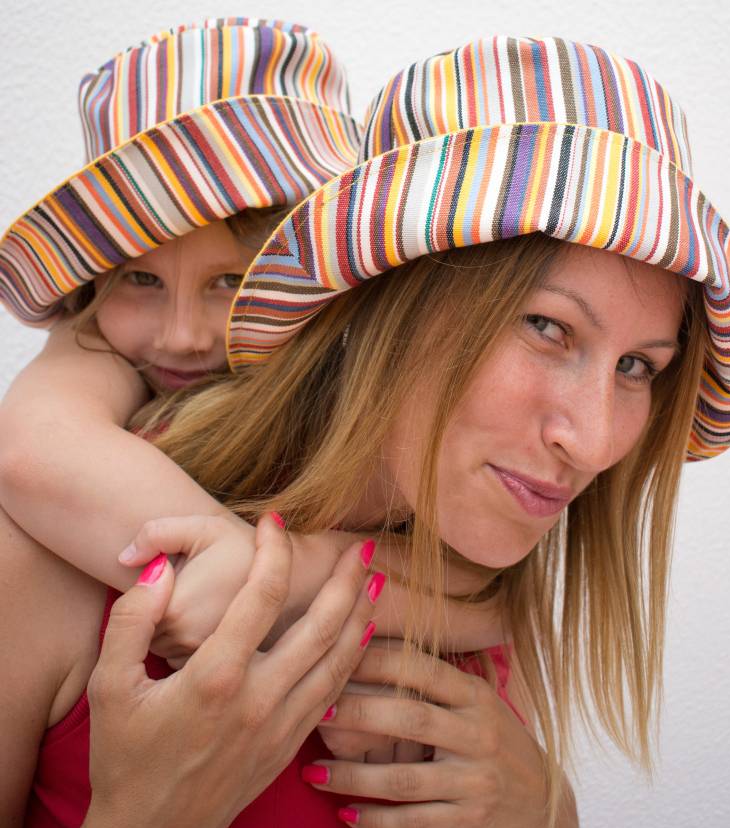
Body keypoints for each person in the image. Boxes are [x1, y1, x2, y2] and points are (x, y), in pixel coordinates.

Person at [3, 32, 730, 828]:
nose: (590, 442)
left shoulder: (478, 561)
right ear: (388, 300)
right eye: (547, 328)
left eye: (637, 367)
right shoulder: (53, 556)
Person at [0, 19, 501, 665]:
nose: (182, 337)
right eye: (141, 279)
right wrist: (253, 572)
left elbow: (480, 586)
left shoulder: (375, 408)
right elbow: (28, 449)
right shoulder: (94, 348)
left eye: (232, 281)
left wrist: (296, 572)